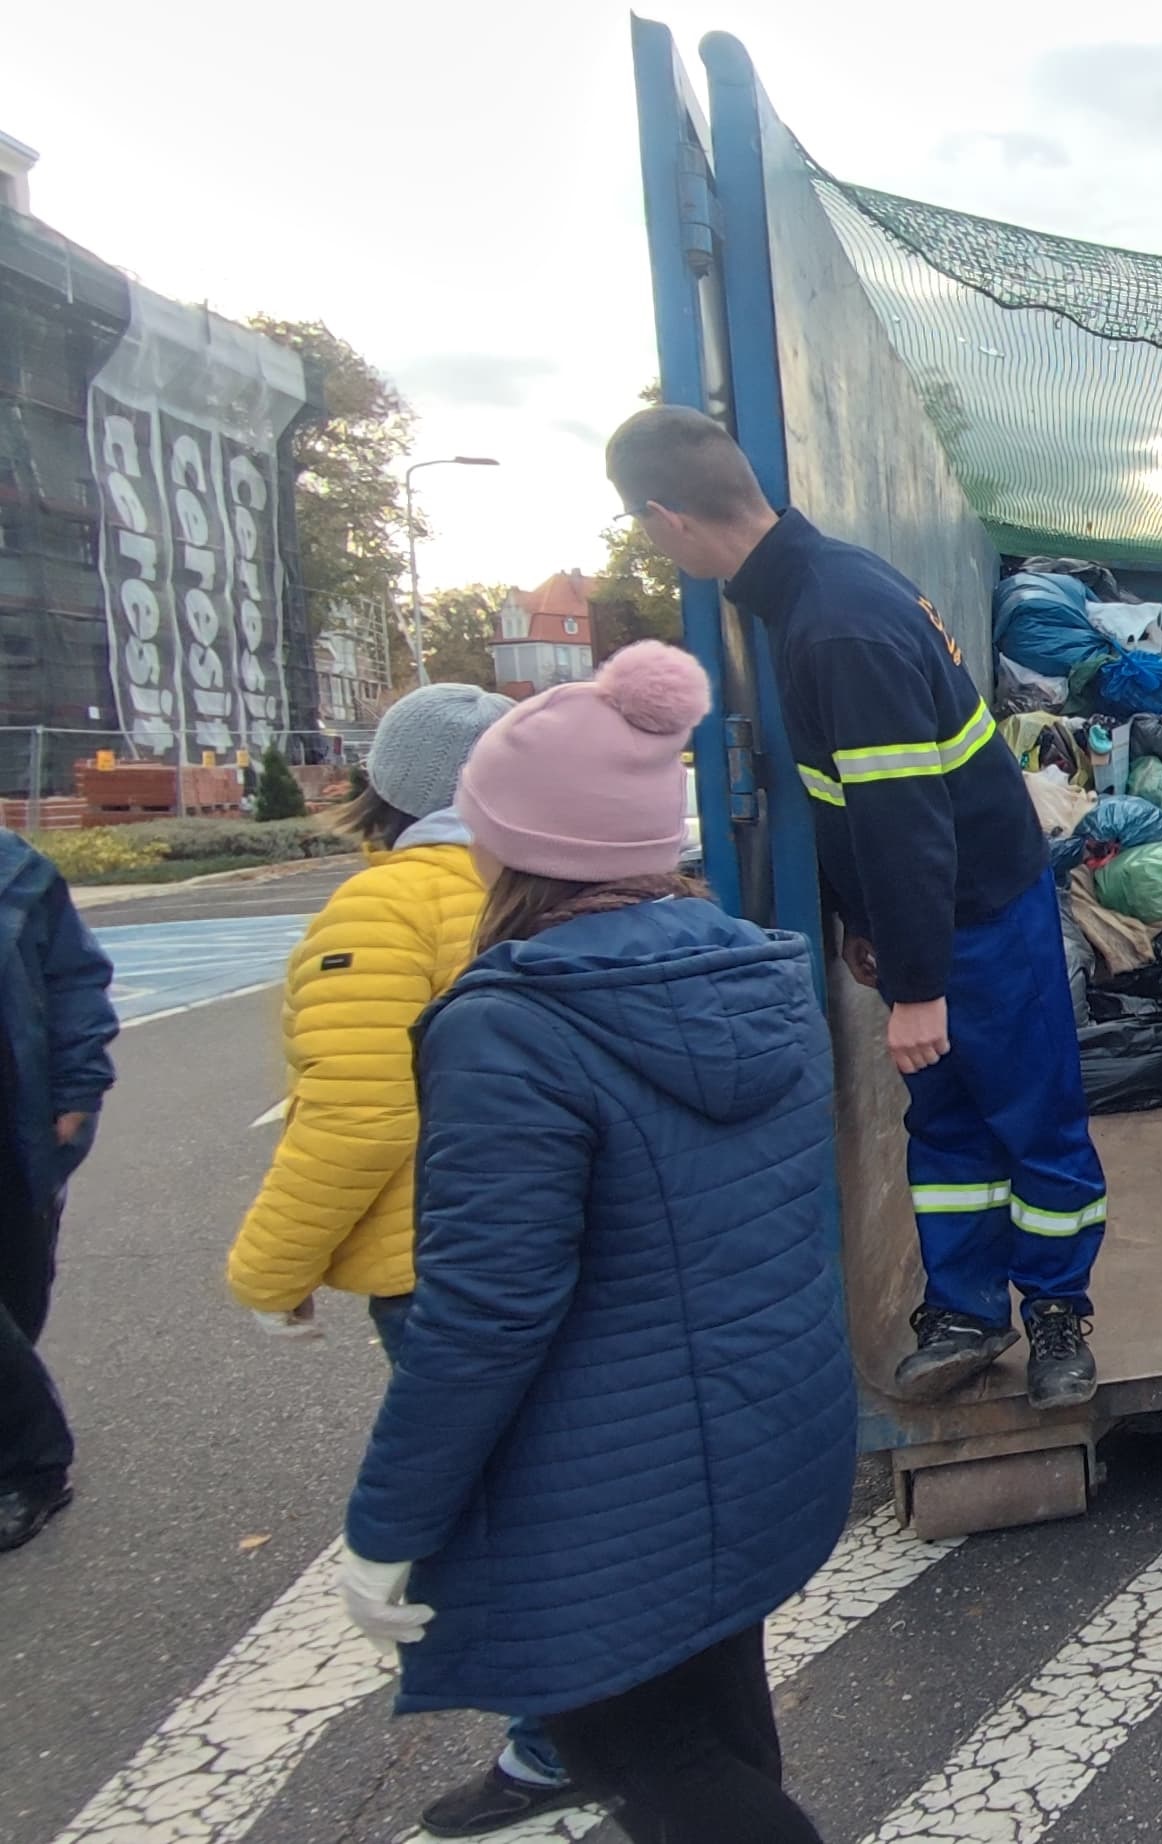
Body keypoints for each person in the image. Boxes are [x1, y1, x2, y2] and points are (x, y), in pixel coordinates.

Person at [338, 642, 849, 1844]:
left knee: (641, 1745)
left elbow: (483, 1313)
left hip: (610, 1474)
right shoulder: (760, 973)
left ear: (506, 841)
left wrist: (390, 1523)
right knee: (717, 1708)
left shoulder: (511, 1026)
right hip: (767, 1422)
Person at [607, 405, 1106, 1411]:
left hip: (977, 910)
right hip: (937, 912)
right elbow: (858, 804)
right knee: (951, 1123)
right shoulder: (820, 588)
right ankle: (967, 1309)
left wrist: (918, 983)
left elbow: (905, 818)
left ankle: (1056, 1312)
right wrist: (866, 925)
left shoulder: (834, 623)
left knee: (1028, 1111)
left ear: (665, 518)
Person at [221, 686, 589, 1836]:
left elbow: (356, 1118)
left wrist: (268, 1271)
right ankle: (591, 1719)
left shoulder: (380, 910)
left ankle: (554, 1741)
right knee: (563, 1485)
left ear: (387, 782)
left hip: (438, 1260)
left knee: (489, 1503)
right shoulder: (545, 891)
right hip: (563, 1238)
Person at [0, 825, 113, 1555]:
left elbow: (72, 980)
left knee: (18, 1291)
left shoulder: (17, 872)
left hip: (17, 1123)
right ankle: (33, 1465)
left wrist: (78, 1086)